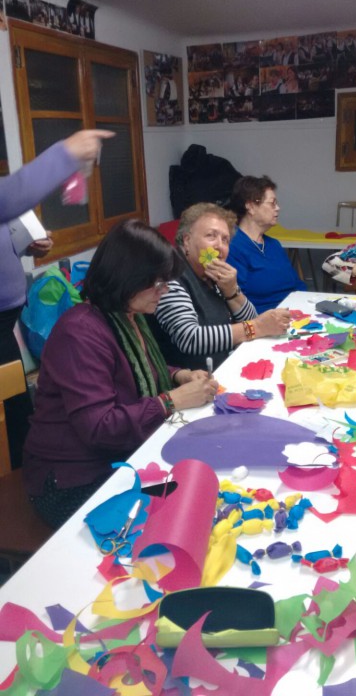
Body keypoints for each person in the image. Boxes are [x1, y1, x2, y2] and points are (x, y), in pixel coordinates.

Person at [23, 220, 218, 529]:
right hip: (71, 482)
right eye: (158, 284)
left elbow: (133, 369)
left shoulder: (127, 315)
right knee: (180, 515)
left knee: (203, 487)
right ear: (129, 278)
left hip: (117, 460)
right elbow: (100, 428)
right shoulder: (79, 333)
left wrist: (178, 375)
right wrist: (170, 401)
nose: (164, 291)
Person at [1, 129, 114, 467]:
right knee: (7, 415)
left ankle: (22, 474)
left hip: (5, 321)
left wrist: (24, 246)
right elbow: (8, 198)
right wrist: (65, 154)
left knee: (14, 407)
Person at [150, 203, 292, 369]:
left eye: (225, 240)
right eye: (211, 236)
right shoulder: (170, 275)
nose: (219, 246)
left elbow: (251, 319)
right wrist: (256, 327)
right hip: (195, 379)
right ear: (187, 241)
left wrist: (232, 291)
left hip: (227, 366)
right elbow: (190, 338)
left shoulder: (211, 273)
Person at [227, 176, 306, 313]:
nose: (278, 208)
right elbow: (238, 301)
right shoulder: (232, 246)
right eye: (272, 203)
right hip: (263, 318)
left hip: (296, 313)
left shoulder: (274, 245)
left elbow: (297, 284)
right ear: (251, 206)